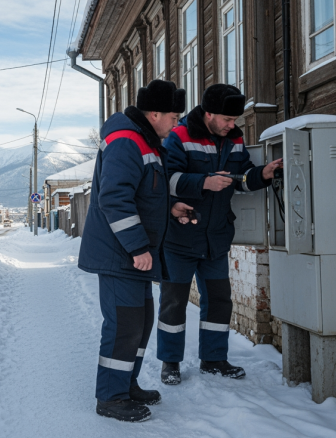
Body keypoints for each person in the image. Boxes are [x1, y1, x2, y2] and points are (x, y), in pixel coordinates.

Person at [78, 80, 192, 422]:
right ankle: (111, 397)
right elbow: (114, 198)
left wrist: (171, 208)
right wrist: (139, 247)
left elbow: (144, 193)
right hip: (120, 254)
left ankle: (127, 384)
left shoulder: (146, 141)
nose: (177, 123)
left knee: (139, 324)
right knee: (124, 325)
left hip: (133, 256)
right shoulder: (127, 141)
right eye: (174, 116)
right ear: (154, 113)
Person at [157, 84, 283, 385]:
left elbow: (240, 180)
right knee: (173, 302)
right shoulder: (179, 136)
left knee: (219, 300)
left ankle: (213, 359)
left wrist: (262, 175)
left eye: (235, 119)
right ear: (209, 113)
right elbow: (166, 180)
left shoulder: (235, 140)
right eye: (227, 119)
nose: (232, 125)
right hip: (180, 237)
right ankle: (170, 363)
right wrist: (204, 183)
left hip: (216, 239)